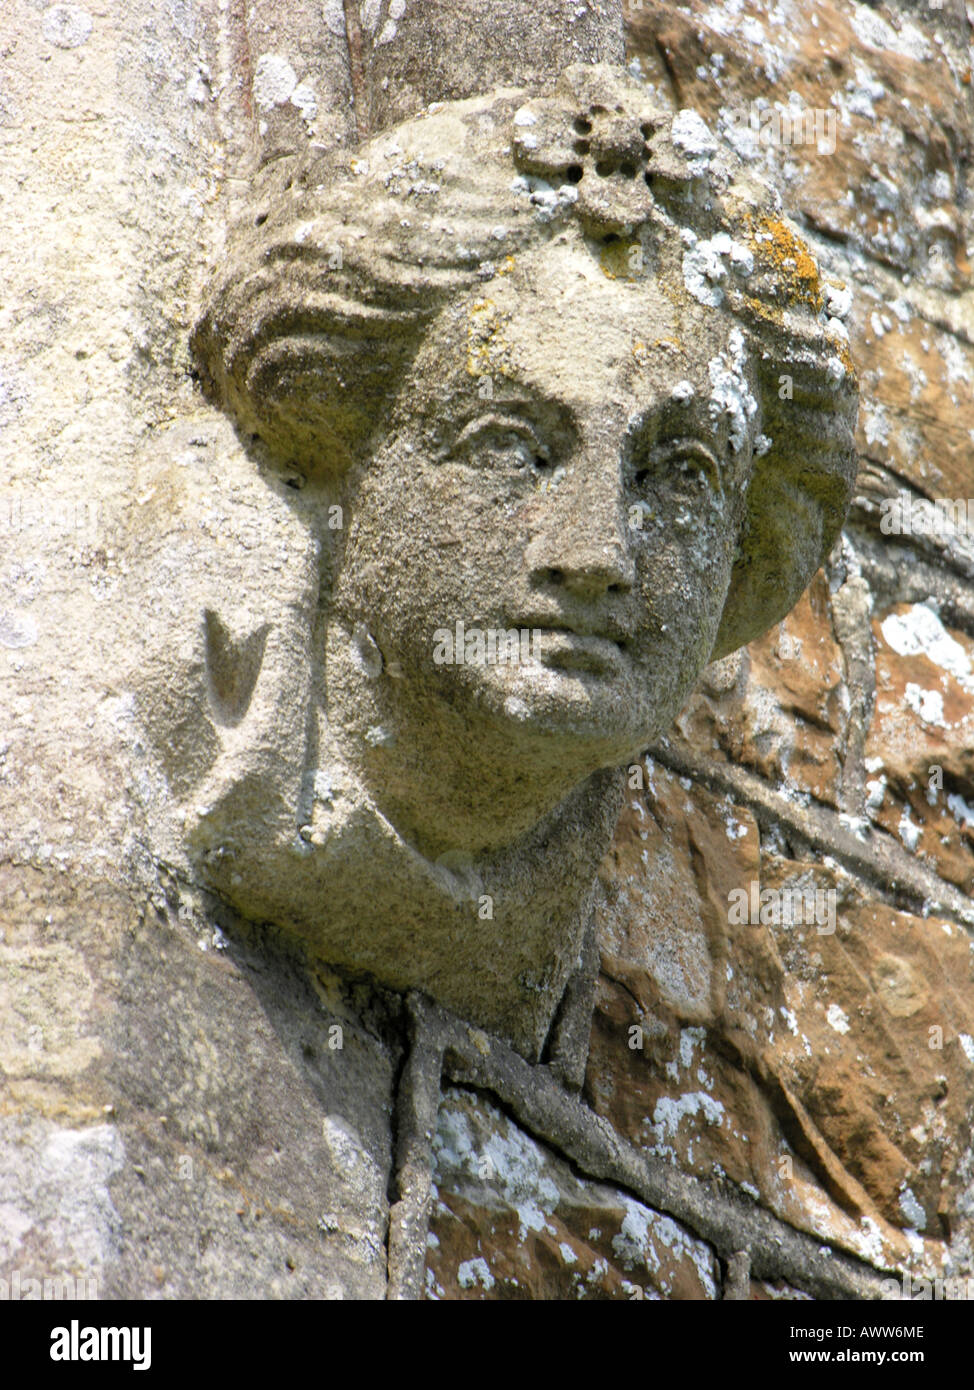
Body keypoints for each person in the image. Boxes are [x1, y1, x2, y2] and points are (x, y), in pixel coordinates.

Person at [178, 64, 857, 1055]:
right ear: (340, 452)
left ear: (744, 560)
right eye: (509, 444)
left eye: (678, 473)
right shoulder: (190, 704)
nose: (593, 554)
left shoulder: (559, 876)